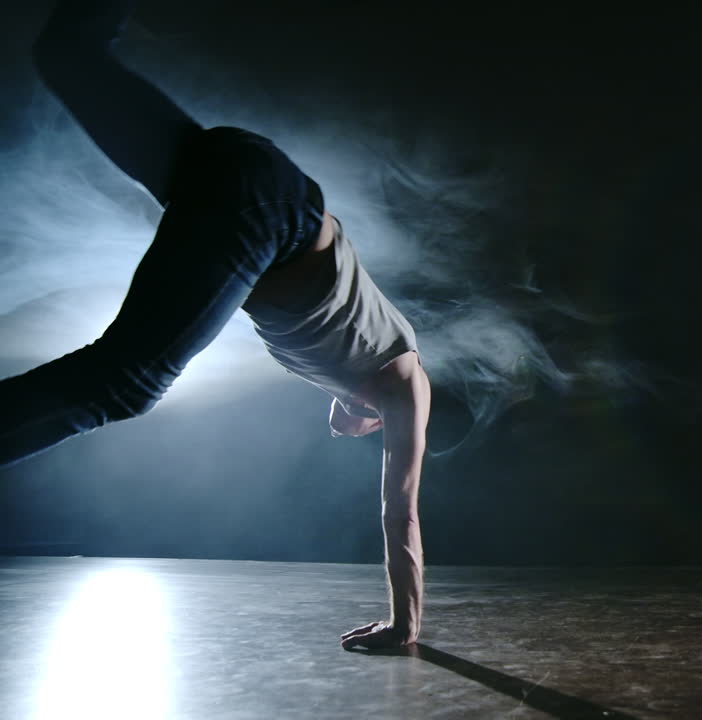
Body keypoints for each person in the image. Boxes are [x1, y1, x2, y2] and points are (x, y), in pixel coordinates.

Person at [0, 0, 429, 651]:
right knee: (125, 385)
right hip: (269, 214)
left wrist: (348, 404)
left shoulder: (346, 366)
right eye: (366, 423)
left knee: (68, 58)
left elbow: (343, 413)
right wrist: (406, 623)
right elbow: (399, 512)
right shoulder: (405, 384)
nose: (351, 427)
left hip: (238, 171)